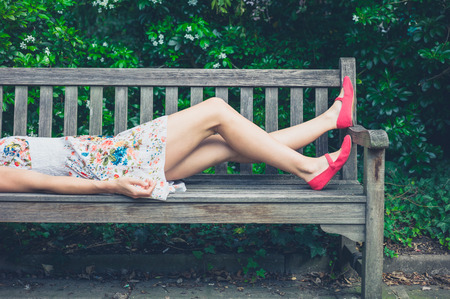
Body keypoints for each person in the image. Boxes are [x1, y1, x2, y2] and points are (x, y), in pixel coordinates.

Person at [0, 77, 354, 200]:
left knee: (225, 146)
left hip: (112, 155)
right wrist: (110, 186)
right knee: (215, 110)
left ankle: (328, 120)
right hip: (115, 163)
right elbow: (43, 182)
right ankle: (309, 168)